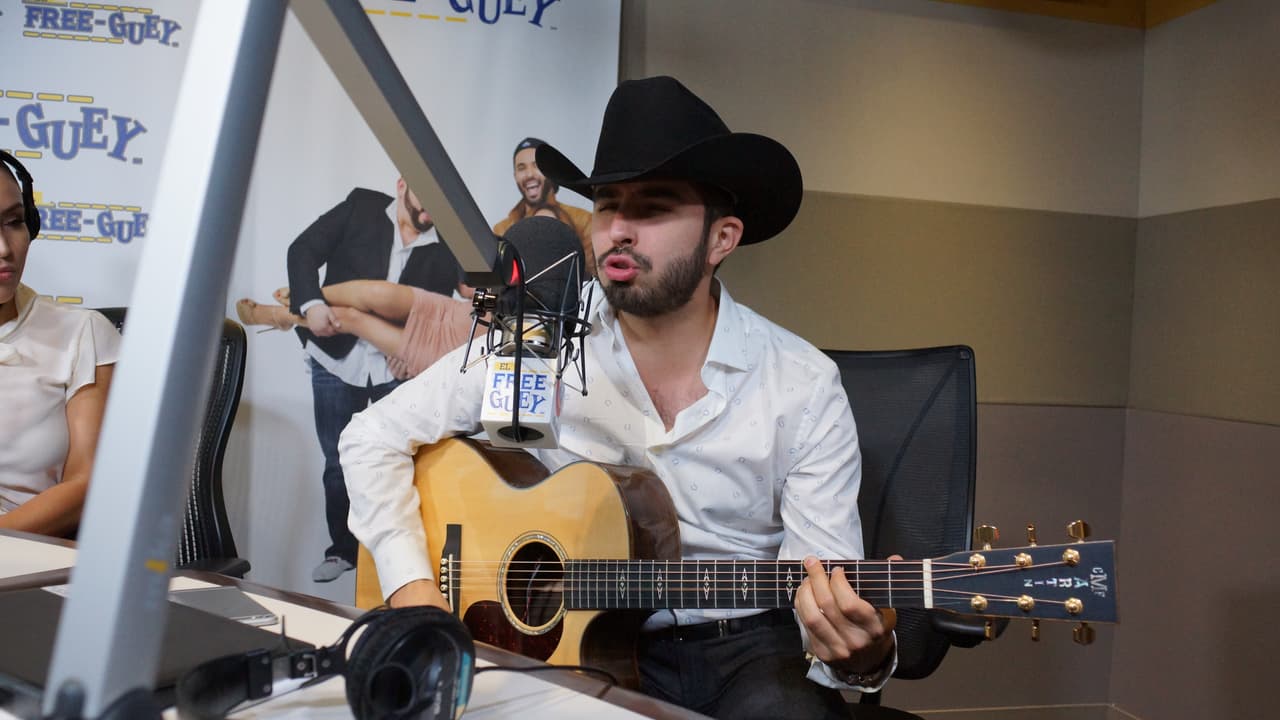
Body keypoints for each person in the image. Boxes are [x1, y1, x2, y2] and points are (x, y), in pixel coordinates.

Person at [339, 77, 896, 719]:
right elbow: (370, 438)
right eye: (607, 206)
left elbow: (828, 611)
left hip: (750, 650)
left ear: (723, 239)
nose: (618, 231)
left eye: (653, 208)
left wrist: (858, 653)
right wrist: (414, 592)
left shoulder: (802, 384)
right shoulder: (539, 339)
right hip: (572, 640)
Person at [284, 178, 464, 583]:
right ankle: (343, 550)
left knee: (400, 461)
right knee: (336, 461)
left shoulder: (449, 242)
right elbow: (303, 250)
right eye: (425, 197)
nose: (431, 211)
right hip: (334, 357)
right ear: (404, 184)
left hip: (393, 368)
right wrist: (310, 304)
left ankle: (399, 562)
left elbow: (456, 310)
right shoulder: (360, 206)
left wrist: (418, 357)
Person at [0, 151, 120, 537]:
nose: (5, 247)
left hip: (30, 565)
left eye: (15, 222)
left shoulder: (82, 333)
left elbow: (85, 487)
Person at [236, 278, 476, 380]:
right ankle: (306, 297)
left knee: (352, 318)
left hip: (454, 351)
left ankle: (280, 315)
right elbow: (468, 286)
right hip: (458, 312)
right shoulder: (508, 225)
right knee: (378, 293)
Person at [492, 137, 595, 273]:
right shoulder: (501, 230)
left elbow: (594, 278)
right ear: (515, 175)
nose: (529, 174)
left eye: (537, 166)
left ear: (550, 171)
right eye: (521, 168)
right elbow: (492, 287)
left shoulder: (584, 221)